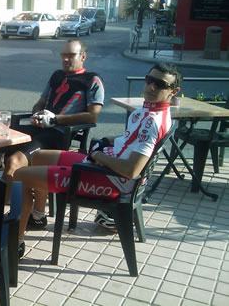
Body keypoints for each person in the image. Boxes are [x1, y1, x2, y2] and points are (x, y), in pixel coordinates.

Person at [14, 62, 182, 257]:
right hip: (104, 167)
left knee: (20, 175)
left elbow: (131, 170)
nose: (151, 87)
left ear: (174, 91)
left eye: (160, 84)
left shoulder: (152, 122)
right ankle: (38, 215)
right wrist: (103, 141)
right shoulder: (147, 111)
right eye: (149, 80)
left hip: (111, 180)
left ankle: (15, 242)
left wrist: (97, 154)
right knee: (39, 157)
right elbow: (126, 140)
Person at [0, 39, 104, 229]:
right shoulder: (56, 76)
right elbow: (40, 102)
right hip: (38, 128)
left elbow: (92, 116)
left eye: (70, 55)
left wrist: (55, 119)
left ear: (83, 56)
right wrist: (37, 113)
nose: (65, 59)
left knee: (13, 162)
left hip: (57, 134)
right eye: (63, 55)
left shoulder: (92, 80)